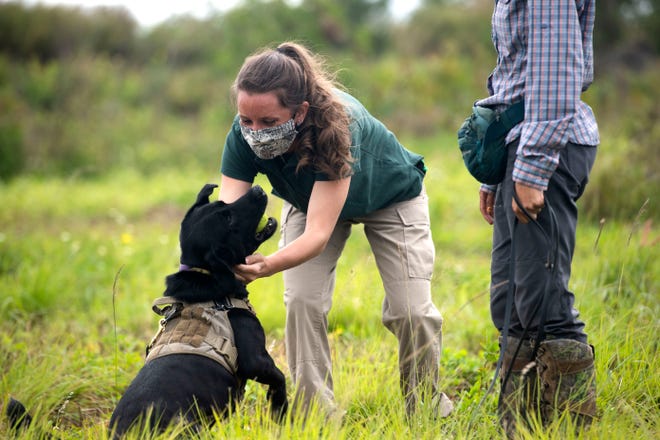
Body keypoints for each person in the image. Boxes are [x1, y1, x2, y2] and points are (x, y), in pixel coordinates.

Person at [217, 41, 453, 420]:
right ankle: (316, 415)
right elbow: (227, 210)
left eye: (269, 123)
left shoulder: (338, 125)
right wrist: (214, 255)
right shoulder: (244, 130)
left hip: (390, 197)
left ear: (301, 111)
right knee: (302, 301)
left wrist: (268, 264)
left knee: (412, 312)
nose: (255, 131)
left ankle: (425, 409)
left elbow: (317, 236)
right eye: (247, 121)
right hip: (310, 199)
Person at [476, 0, 598, 436]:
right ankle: (519, 426)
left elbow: (553, 75)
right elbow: (514, 76)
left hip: (545, 147)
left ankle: (569, 428)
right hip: (520, 143)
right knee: (511, 299)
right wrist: (496, 172)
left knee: (544, 301)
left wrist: (531, 167)